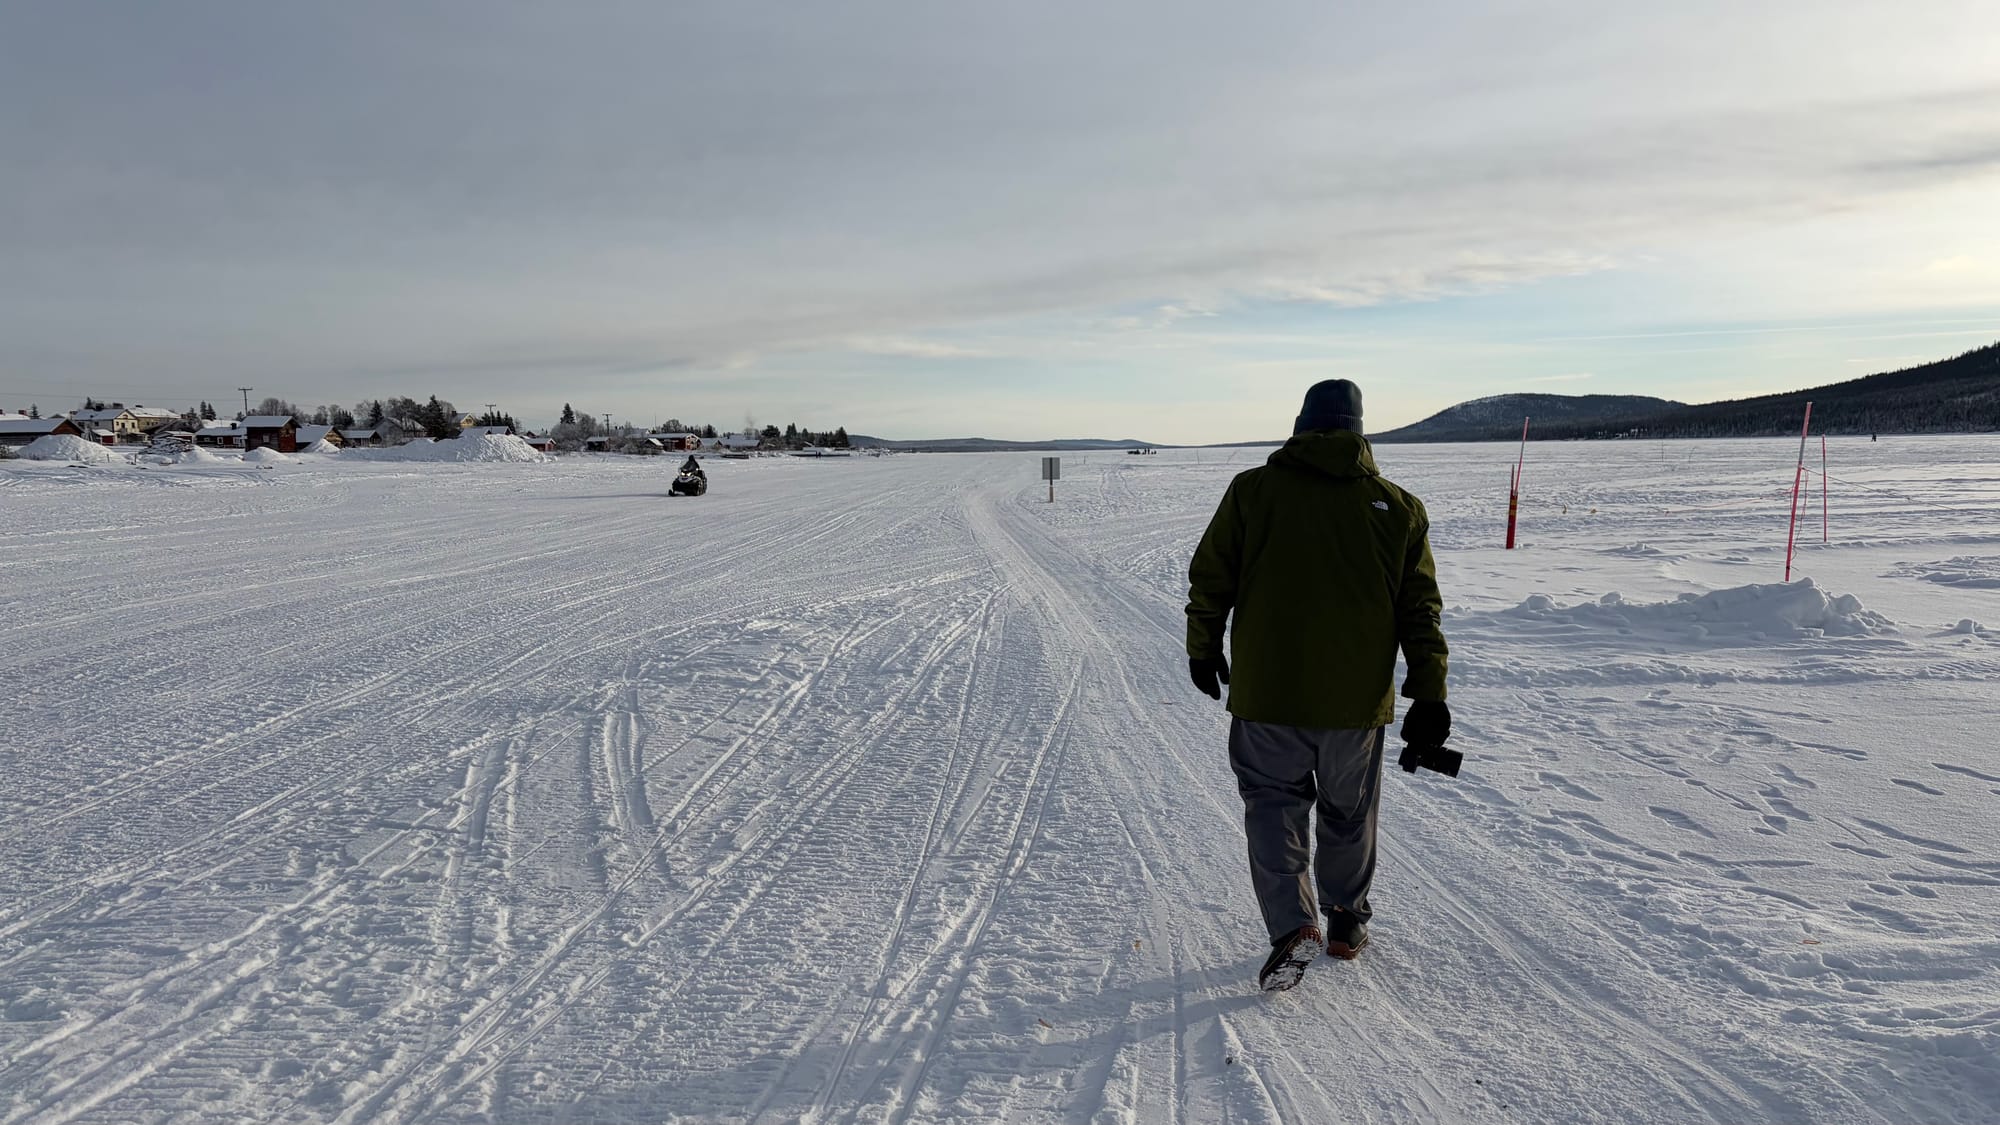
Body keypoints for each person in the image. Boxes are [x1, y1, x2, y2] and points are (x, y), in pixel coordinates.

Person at [1185, 379, 1452, 991]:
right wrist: (1430, 691)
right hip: (1354, 707)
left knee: (1273, 805)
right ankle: (1343, 922)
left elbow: (1211, 576)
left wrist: (1203, 647)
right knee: (1348, 813)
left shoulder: (1253, 490)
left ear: (1301, 424)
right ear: (1360, 430)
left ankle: (1291, 926)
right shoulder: (1399, 506)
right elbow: (1421, 610)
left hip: (1268, 696)